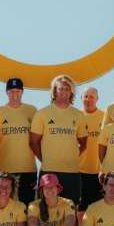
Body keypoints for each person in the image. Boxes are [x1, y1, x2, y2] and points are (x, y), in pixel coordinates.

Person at [29, 74, 88, 207]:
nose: (64, 92)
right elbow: (33, 142)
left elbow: (84, 142)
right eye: (60, 89)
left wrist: (72, 157)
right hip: (49, 170)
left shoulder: (78, 115)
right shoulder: (42, 113)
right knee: (46, 210)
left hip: (72, 171)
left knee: (71, 210)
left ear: (71, 92)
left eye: (67, 89)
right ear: (54, 91)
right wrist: (45, 159)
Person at [0, 78, 37, 205]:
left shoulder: (32, 111)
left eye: (17, 91)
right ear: (6, 93)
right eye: (11, 91)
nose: (14, 94)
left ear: (22, 92)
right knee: (5, 207)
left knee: (28, 207)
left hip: (28, 169)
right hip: (5, 169)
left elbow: (38, 138)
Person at [78, 86, 106, 212]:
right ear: (81, 98)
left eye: (91, 97)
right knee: (80, 207)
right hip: (79, 170)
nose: (88, 99)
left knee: (99, 208)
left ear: (97, 99)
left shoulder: (105, 117)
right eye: (85, 96)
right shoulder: (76, 116)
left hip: (99, 171)